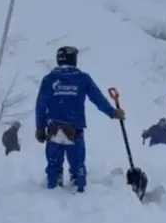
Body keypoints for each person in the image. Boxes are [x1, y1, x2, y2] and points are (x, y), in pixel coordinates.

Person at [35, 46, 131, 193]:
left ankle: (53, 192)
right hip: (75, 130)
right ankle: (78, 193)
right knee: (77, 165)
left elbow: (41, 105)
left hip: (53, 130)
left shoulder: (49, 79)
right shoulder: (82, 79)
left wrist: (40, 127)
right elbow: (97, 99)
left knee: (54, 166)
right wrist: (112, 112)